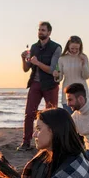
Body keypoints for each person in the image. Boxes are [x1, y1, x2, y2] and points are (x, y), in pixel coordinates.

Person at [18, 22, 62, 151]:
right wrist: (23, 59)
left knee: (51, 116)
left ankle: (51, 143)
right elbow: (26, 69)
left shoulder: (56, 48)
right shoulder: (34, 47)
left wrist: (38, 62)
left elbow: (52, 69)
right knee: (29, 113)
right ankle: (26, 142)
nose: (40, 32)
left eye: (43, 30)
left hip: (50, 84)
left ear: (49, 32)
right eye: (39, 30)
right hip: (35, 83)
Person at [53, 36, 89, 114]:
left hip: (81, 93)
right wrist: (56, 75)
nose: (74, 50)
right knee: (70, 121)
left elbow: (86, 76)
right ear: (68, 46)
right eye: (72, 48)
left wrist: (84, 65)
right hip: (68, 94)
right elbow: (59, 79)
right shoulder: (62, 58)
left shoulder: (84, 57)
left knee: (82, 121)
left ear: (80, 47)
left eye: (77, 49)